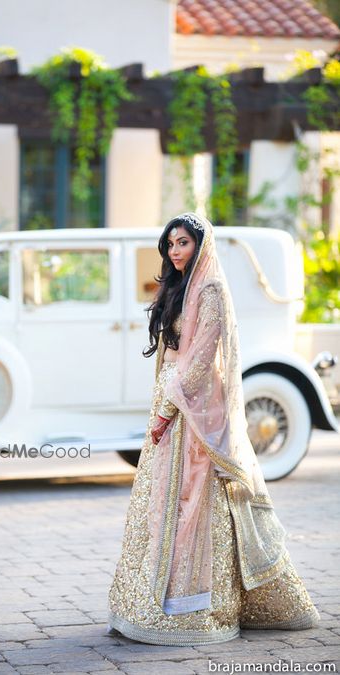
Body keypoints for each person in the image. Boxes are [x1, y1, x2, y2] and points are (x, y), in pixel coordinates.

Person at [106, 212, 320, 646]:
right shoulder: (178, 287)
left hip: (194, 410)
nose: (175, 251)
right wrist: (162, 405)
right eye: (169, 245)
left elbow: (201, 360)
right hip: (169, 402)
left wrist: (169, 410)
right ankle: (150, 599)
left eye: (182, 243)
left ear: (201, 244)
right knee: (161, 500)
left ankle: (197, 608)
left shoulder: (212, 289)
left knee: (195, 498)